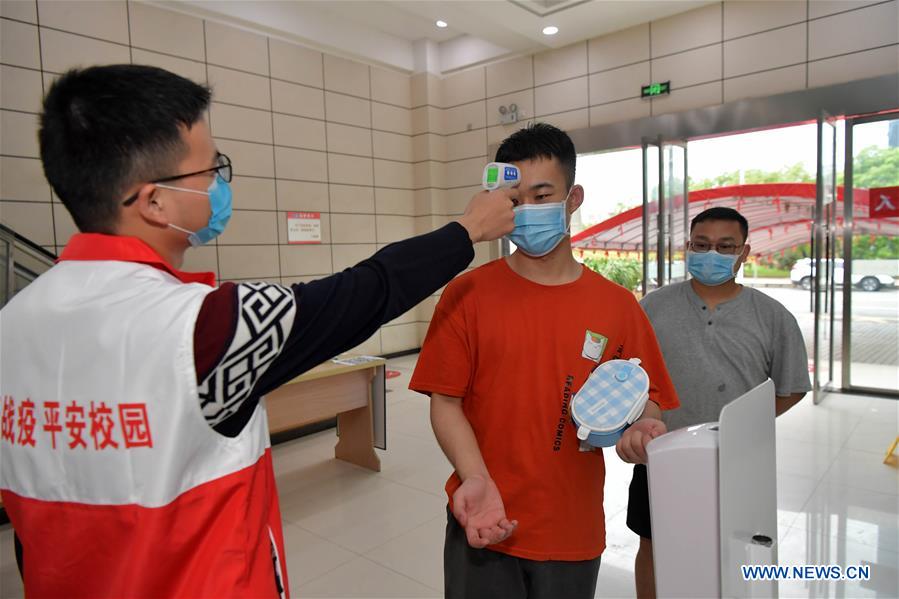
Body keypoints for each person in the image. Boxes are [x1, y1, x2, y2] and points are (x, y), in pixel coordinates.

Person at [0, 64, 517, 598]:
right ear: (154, 201)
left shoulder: (13, 321)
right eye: (209, 170)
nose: (217, 186)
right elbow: (365, 293)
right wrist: (468, 230)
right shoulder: (207, 329)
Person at [409, 123, 679, 599]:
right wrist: (476, 477)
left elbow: (647, 397)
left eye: (542, 195)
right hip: (480, 519)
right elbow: (445, 402)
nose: (527, 211)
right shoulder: (467, 294)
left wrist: (640, 431)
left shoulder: (617, 306)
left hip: (569, 529)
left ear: (573, 198)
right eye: (516, 200)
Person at [627, 206, 811, 599]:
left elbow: (791, 387)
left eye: (725, 246)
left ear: (744, 252)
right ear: (686, 248)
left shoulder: (772, 316)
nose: (712, 254)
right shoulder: (652, 307)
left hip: (736, 460)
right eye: (702, 244)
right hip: (660, 454)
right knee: (654, 543)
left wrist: (738, 428)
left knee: (733, 548)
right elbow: (632, 376)